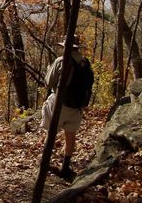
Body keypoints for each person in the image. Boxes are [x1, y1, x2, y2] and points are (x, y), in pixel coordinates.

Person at [41, 34, 93, 182]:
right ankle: (65, 167)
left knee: (51, 134)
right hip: (76, 107)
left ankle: (45, 162)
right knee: (70, 136)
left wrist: (49, 69)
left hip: (59, 103)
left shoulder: (61, 61)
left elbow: (48, 83)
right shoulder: (85, 63)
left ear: (65, 46)